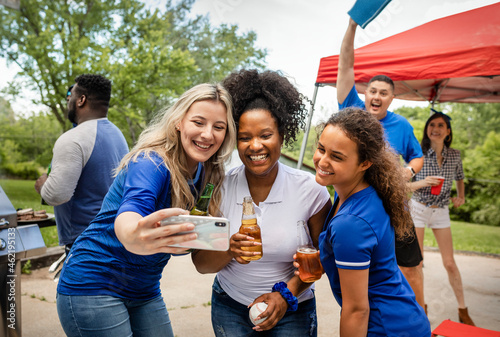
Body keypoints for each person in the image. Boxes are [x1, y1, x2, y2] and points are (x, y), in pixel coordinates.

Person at [56, 83, 237, 337]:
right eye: (198, 122)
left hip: (145, 290)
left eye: (219, 127)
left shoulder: (207, 174)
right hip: (93, 284)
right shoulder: (151, 162)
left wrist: (222, 242)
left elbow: (193, 252)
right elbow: (132, 211)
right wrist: (133, 235)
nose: (208, 134)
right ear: (178, 122)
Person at [192, 69, 332, 336]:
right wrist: (229, 249)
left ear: (281, 134)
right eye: (245, 137)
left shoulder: (311, 190)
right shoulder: (216, 187)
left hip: (293, 311)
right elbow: (201, 264)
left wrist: (284, 297)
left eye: (265, 135)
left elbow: (321, 259)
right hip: (229, 308)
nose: (255, 146)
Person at [304, 107, 430, 336]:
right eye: (321, 149)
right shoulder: (365, 192)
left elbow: (356, 311)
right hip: (405, 318)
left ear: (365, 163)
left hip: (386, 328)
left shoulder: (351, 223)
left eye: (336, 156)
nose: (322, 161)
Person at [336, 18, 426, 309]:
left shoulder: (401, 125)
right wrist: (351, 26)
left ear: (391, 98)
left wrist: (408, 170)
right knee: (362, 270)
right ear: (365, 94)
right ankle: (369, 313)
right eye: (372, 90)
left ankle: (420, 312)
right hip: (357, 207)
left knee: (410, 267)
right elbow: (346, 66)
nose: (376, 96)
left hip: (394, 205)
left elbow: (418, 156)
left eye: (383, 92)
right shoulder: (351, 111)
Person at [35, 74, 129, 256]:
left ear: (81, 100)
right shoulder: (118, 135)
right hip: (115, 236)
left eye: (71, 97)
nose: (68, 102)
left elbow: (56, 195)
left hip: (85, 243)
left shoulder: (74, 138)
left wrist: (42, 186)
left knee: (77, 286)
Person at [409, 110, 475, 325]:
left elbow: (460, 177)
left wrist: (461, 196)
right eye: (432, 125)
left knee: (450, 263)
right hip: (418, 207)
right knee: (417, 263)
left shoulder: (454, 155)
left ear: (448, 132)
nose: (435, 129)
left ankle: (463, 310)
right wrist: (423, 182)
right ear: (427, 129)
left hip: (441, 210)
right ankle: (421, 309)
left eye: (440, 126)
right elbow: (403, 185)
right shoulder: (417, 154)